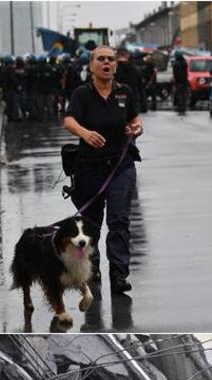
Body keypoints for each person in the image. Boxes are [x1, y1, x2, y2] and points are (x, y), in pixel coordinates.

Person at [63, 44, 143, 293]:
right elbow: (69, 120)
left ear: (115, 65)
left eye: (111, 60)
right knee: (91, 224)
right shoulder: (82, 94)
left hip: (120, 167)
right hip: (89, 168)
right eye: (101, 59)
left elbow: (135, 119)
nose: (106, 63)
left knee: (119, 221)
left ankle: (119, 274)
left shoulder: (124, 92)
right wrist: (85, 134)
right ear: (91, 65)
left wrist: (136, 128)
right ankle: (93, 268)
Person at [115, 48, 147, 114]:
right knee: (132, 121)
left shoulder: (113, 70)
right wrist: (144, 106)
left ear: (117, 55)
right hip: (134, 99)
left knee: (121, 119)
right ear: (128, 56)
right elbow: (141, 88)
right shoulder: (136, 70)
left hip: (119, 99)